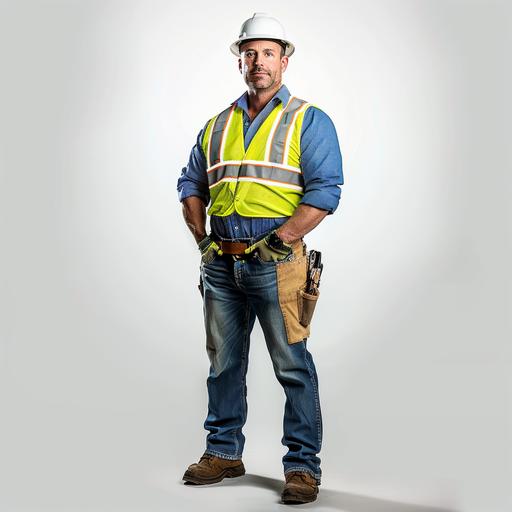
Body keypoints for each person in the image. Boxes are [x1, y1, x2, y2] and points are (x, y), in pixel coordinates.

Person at [177, 12, 344, 504]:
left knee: (292, 365)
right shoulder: (218, 123)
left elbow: (324, 192)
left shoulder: (308, 120)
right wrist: (202, 238)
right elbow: (191, 183)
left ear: (284, 61)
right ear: (240, 63)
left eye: (268, 53)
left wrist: (280, 240)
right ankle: (224, 452)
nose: (258, 62)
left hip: (279, 263)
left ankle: (302, 467)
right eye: (249, 54)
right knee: (223, 364)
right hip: (221, 264)